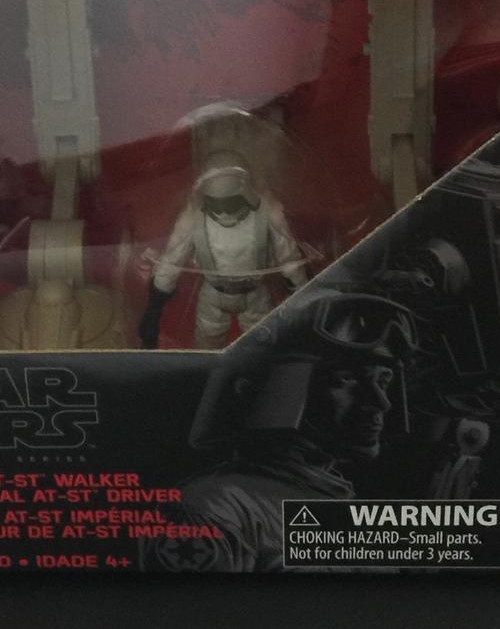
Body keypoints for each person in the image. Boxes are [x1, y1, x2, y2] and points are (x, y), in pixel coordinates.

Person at [147, 291, 416, 571]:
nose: (381, 402)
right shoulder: (213, 508)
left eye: (383, 381)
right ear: (277, 388)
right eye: (345, 379)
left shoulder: (342, 505)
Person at [139, 147, 306, 349]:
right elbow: (173, 261)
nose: (224, 212)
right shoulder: (194, 219)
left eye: (230, 203)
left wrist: (302, 292)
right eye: (216, 204)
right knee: (207, 345)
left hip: (255, 295)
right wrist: (155, 305)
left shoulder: (266, 214)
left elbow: (288, 257)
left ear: (246, 194)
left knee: (263, 344)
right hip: (214, 295)